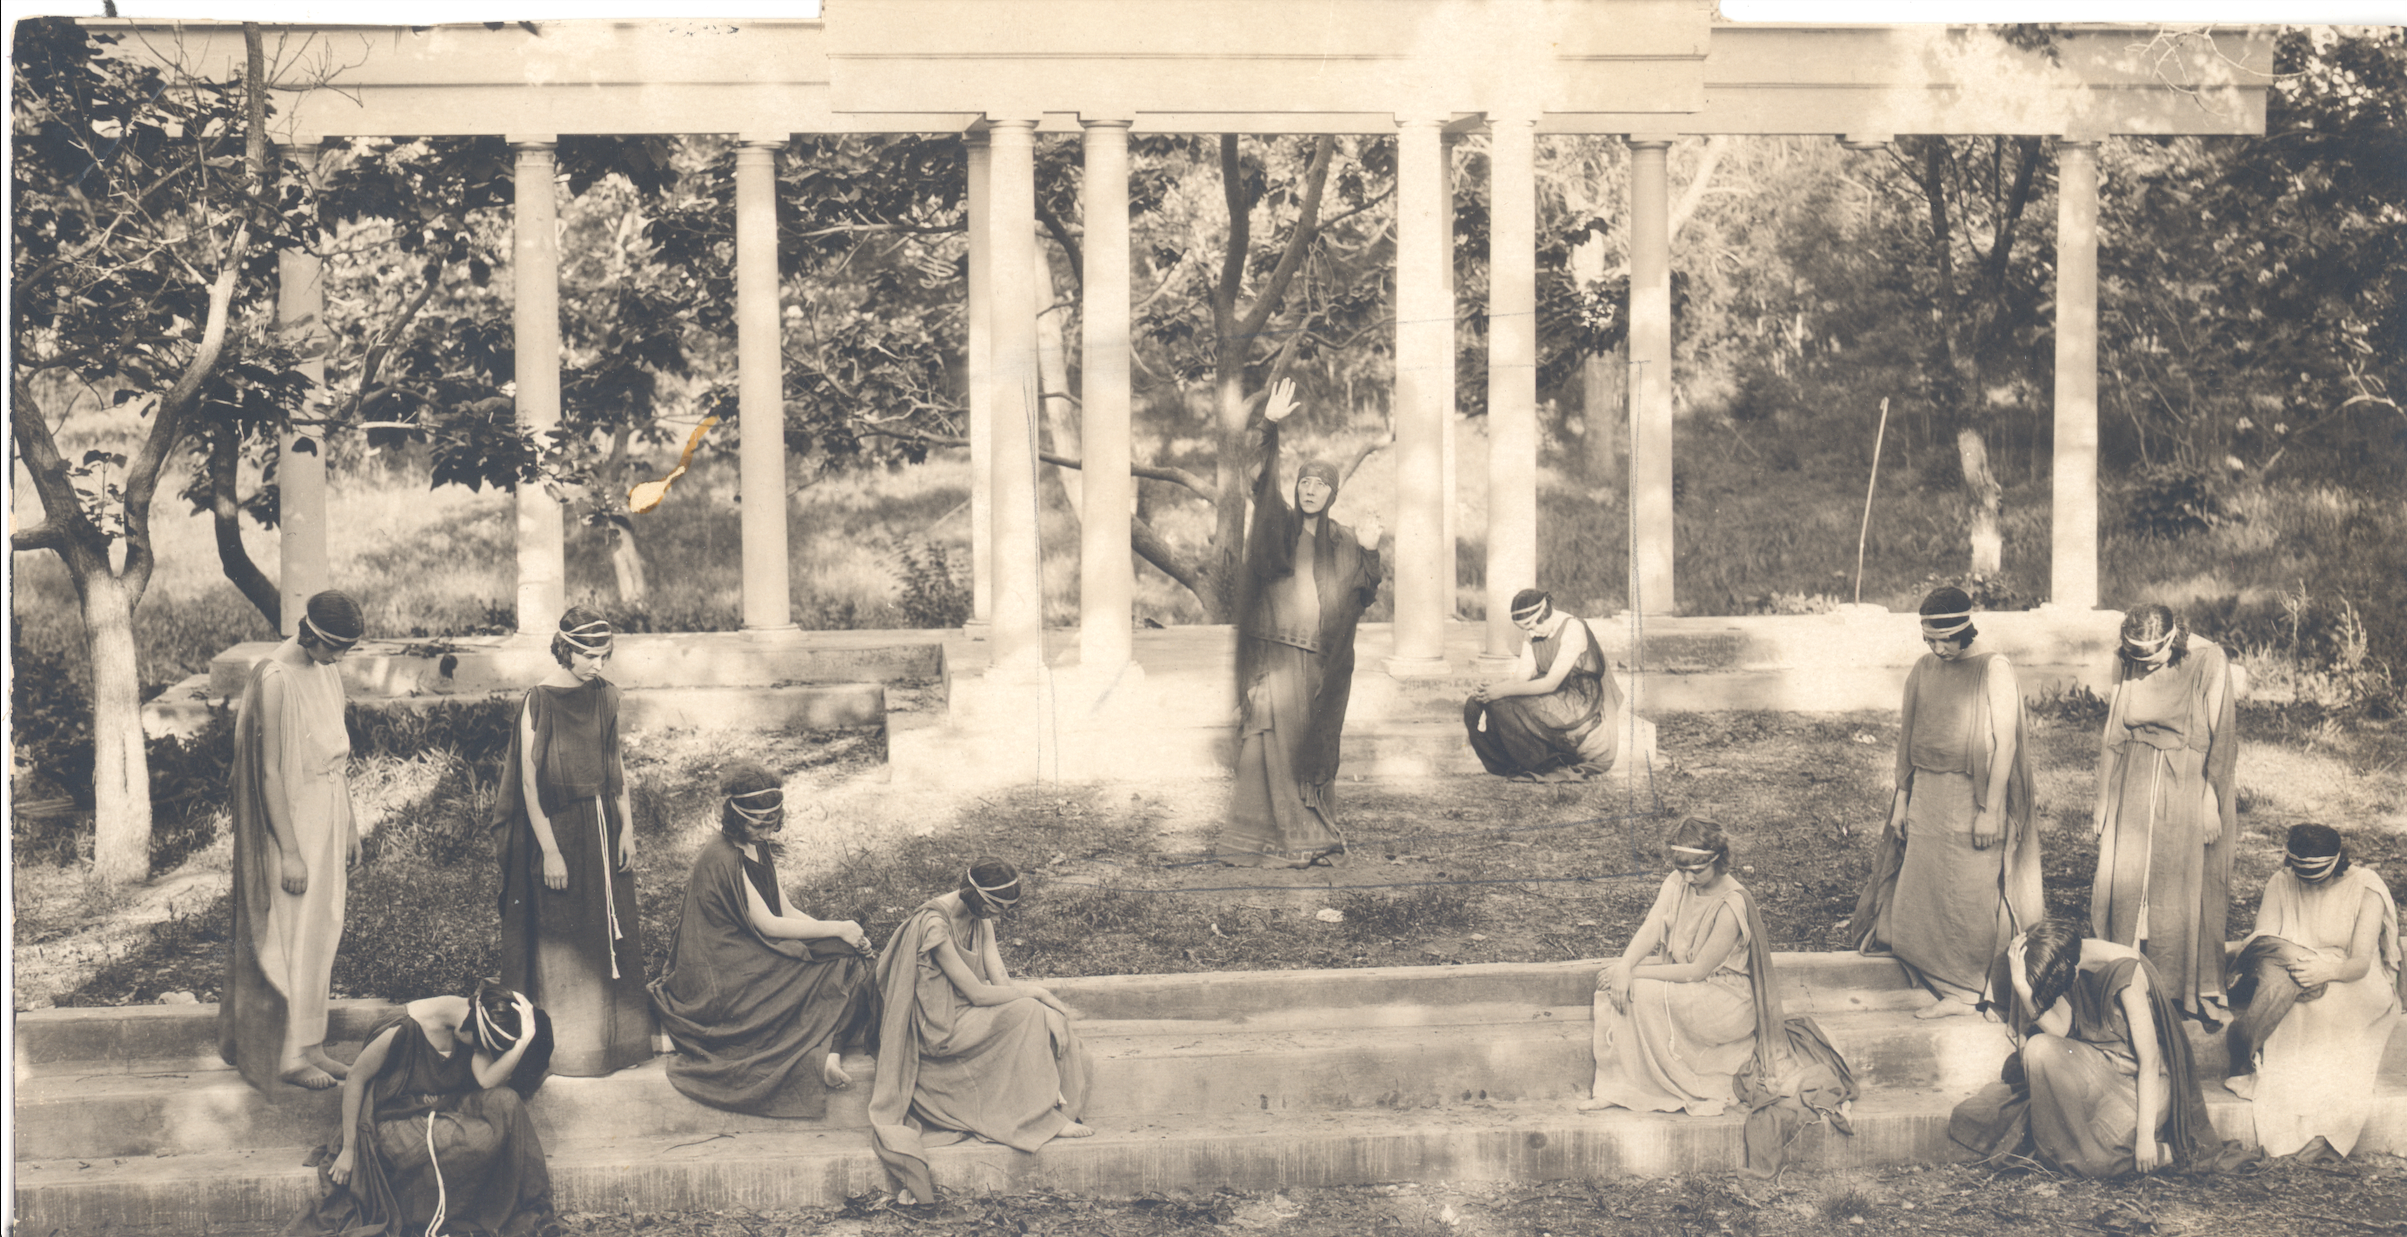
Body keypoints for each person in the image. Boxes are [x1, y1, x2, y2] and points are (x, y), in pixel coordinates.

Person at [1850, 588, 2041, 1019]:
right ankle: (1941, 983)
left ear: (1967, 631)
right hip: (1928, 796)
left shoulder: (1993, 668)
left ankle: (1974, 991)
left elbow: (2005, 744)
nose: (1939, 649)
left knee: (1970, 897)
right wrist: (1901, 802)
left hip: (1972, 795)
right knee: (1928, 891)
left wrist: (1991, 810)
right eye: (1930, 641)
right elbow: (1907, 743)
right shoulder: (1923, 669)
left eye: (1947, 641)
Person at [650, 764, 882, 1117]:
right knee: (837, 966)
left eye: (771, 823)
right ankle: (822, 1051)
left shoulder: (757, 847)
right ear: (733, 816)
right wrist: (837, 928)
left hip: (749, 948)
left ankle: (830, 1055)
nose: (765, 830)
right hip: (724, 968)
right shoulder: (723, 856)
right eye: (756, 823)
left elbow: (783, 908)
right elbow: (769, 925)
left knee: (855, 960)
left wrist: (842, 934)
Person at [1219, 377, 1383, 868]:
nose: (1311, 490)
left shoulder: (1346, 540)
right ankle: (1255, 838)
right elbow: (1254, 475)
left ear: (1332, 493)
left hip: (1318, 659)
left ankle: (1308, 833)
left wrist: (1372, 554)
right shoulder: (1278, 525)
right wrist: (1268, 424)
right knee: (1263, 740)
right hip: (1273, 652)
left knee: (1305, 747)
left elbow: (1365, 594)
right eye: (1305, 483)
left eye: (1321, 485)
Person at [869, 858, 1093, 1206]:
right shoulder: (934, 925)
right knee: (1029, 1008)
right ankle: (1039, 1118)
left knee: (1036, 1016)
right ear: (974, 895)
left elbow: (1000, 981)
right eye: (995, 908)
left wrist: (1046, 1010)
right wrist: (1041, 994)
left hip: (968, 1012)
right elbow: (977, 992)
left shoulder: (979, 916)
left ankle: (1044, 1110)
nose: (997, 917)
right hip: (939, 1029)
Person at [493, 607, 651, 1076]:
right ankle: (569, 1047)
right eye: (588, 656)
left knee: (609, 926)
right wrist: (550, 851)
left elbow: (615, 766)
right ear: (565, 649)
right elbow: (527, 782)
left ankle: (615, 1043)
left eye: (604, 656)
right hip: (558, 827)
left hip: (603, 824)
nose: (598, 665)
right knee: (564, 931)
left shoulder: (604, 696)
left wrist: (628, 828)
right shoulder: (539, 700)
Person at [220, 589, 365, 1092]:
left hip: (326, 811)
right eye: (334, 647)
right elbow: (269, 774)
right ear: (310, 634)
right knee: (294, 933)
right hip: (292, 821)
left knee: (324, 928)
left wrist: (348, 823)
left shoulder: (325, 667)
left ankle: (313, 1044)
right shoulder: (276, 677)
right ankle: (286, 1056)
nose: (340, 658)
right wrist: (289, 851)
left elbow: (336, 761)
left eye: (347, 648)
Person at [1948, 918, 2221, 1178]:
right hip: (2100, 1068)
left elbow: (2150, 1061)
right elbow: (2059, 1029)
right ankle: (2079, 1144)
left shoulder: (2127, 973)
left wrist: (2145, 1137)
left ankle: (2169, 1152)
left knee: (2095, 1159)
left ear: (2068, 968)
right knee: (2038, 1048)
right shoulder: (2068, 959)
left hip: (2143, 1083)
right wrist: (2023, 988)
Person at [288, 979, 560, 1237]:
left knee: (506, 1101)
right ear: (467, 1029)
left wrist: (523, 1042)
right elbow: (356, 1079)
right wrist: (348, 1150)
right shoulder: (400, 1029)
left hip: (442, 1105)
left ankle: (524, 1201)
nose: (479, 1051)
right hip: (394, 1116)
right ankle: (447, 1214)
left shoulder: (471, 1019)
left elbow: (487, 1081)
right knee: (471, 1143)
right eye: (479, 1044)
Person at [2090, 603, 2240, 1025]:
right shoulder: (2127, 661)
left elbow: (2222, 739)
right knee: (2126, 879)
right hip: (2135, 776)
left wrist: (2210, 801)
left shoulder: (2209, 660)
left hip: (2187, 781)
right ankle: (2124, 980)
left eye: (2152, 657)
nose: (2146, 666)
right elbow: (2113, 733)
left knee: (2178, 887)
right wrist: (2103, 798)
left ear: (2173, 639)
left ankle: (2180, 990)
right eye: (2137, 658)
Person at [2224, 824, 2404, 1158]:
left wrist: (2327, 971)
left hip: (2351, 975)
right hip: (2294, 965)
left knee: (2327, 1008)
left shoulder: (2366, 888)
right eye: (2302, 871)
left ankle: (2324, 1121)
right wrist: (2301, 964)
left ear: (2337, 861)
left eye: (2318, 872)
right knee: (2297, 1001)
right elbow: (2265, 940)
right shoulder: (2281, 882)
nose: (2310, 881)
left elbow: (2361, 962)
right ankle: (2252, 1049)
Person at [1582, 818, 1775, 1118]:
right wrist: (1624, 965)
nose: (1687, 878)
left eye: (1696, 871)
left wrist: (1632, 973)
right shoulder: (1677, 881)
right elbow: (1651, 928)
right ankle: (1619, 1088)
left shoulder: (1731, 904)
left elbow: (1696, 971)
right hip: (1691, 983)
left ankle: (1668, 1088)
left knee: (1637, 991)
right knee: (1620, 985)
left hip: (1723, 997)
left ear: (1719, 860)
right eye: (1681, 869)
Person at [1464, 588, 1623, 782]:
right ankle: (1518, 761)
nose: (1530, 632)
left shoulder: (1572, 628)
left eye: (1531, 625)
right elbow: (1521, 678)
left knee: (1504, 706)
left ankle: (1546, 762)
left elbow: (1551, 683)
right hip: (1553, 694)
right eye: (1525, 629)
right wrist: (1492, 690)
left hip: (1578, 699)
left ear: (1545, 612)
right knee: (1479, 703)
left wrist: (1501, 692)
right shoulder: (1533, 634)